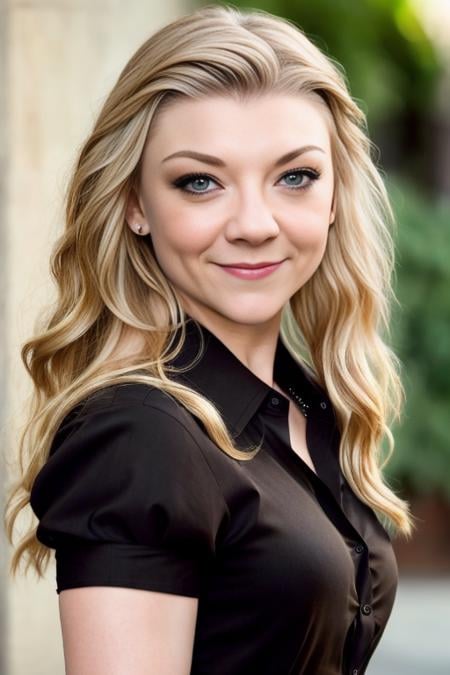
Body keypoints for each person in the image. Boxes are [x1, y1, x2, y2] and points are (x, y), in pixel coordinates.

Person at [3, 4, 415, 674]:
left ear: (335, 194)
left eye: (295, 176)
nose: (254, 223)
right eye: (200, 181)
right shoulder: (140, 435)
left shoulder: (306, 405)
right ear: (135, 204)